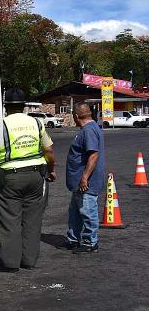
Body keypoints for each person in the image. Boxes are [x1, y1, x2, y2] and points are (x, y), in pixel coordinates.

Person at [0, 89, 56, 272]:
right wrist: (51, 170)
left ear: (6, 107)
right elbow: (49, 151)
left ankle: (11, 263)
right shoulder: (37, 123)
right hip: (36, 175)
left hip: (10, 177)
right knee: (32, 219)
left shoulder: (1, 125)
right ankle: (29, 260)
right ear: (24, 106)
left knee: (10, 219)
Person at [65, 102, 104, 253]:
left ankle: (90, 242)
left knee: (88, 212)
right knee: (75, 212)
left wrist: (85, 177)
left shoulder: (89, 131)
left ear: (76, 116)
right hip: (78, 182)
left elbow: (93, 155)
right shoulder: (88, 129)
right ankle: (73, 239)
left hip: (86, 183)